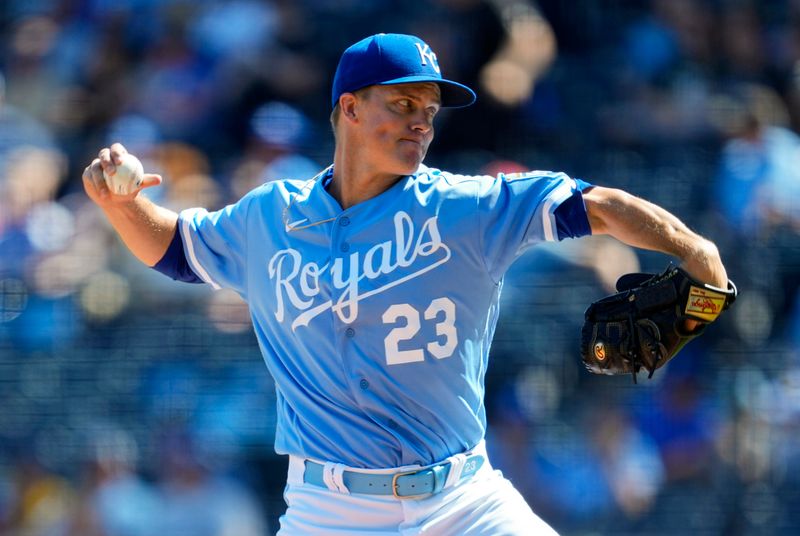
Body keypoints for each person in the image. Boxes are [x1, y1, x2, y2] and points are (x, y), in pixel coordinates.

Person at [83, 33, 729, 535]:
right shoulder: (269, 216)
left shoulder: (467, 207)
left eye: (428, 109)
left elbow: (600, 204)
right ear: (350, 107)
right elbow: (172, 248)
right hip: (328, 511)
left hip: (463, 500)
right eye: (402, 103)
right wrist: (119, 205)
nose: (421, 121)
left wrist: (694, 248)